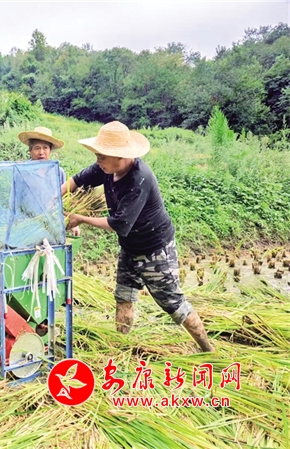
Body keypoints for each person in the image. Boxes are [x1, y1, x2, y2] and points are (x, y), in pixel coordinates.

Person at [62, 121, 214, 352]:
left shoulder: (138, 179)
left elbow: (119, 224)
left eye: (101, 156)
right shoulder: (105, 167)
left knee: (174, 305)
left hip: (154, 250)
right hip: (130, 247)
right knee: (123, 296)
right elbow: (77, 180)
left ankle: (208, 350)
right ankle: (120, 348)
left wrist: (81, 218)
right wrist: (53, 197)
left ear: (120, 155)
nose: (97, 160)